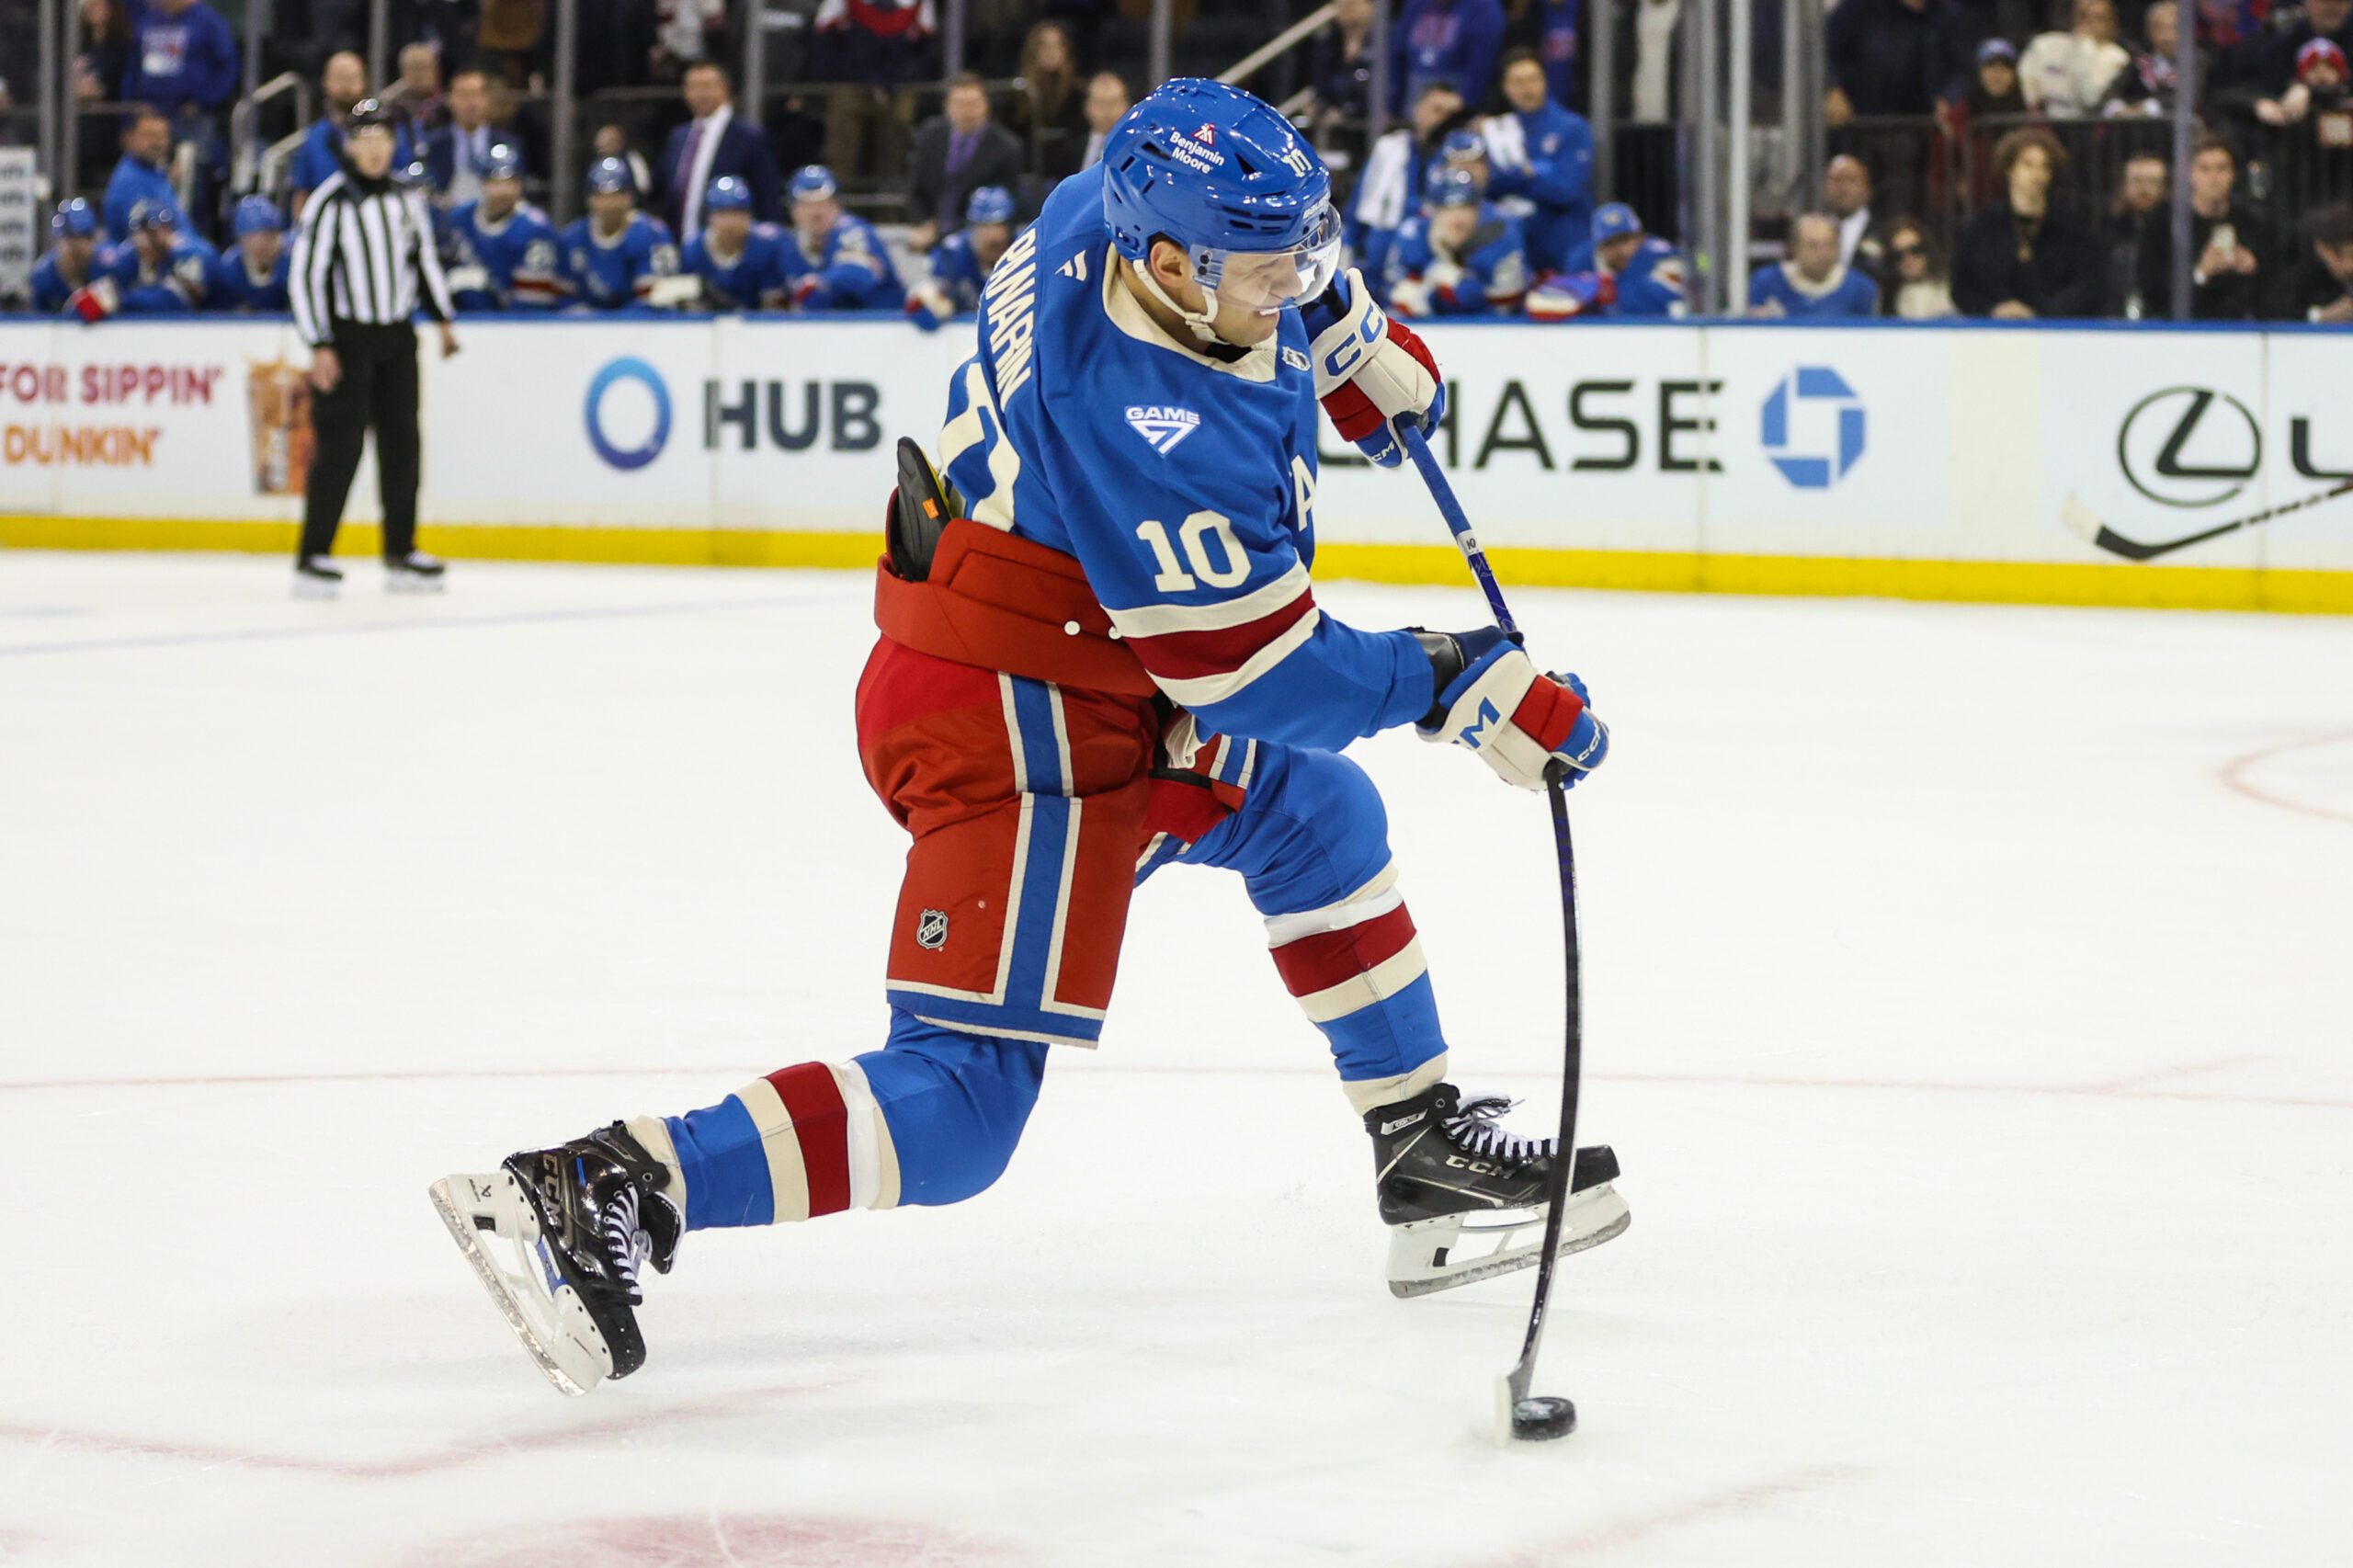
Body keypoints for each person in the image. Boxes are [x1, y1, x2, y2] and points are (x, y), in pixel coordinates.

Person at [431, 78, 1627, 1396]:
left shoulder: (1091, 210)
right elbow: (1251, 669)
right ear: (1169, 265)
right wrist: (1461, 685)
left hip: (1064, 665)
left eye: (1298, 254)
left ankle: (1422, 1155)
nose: (1287, 284)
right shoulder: (1145, 423)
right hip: (1011, 719)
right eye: (1266, 268)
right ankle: (608, 1176)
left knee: (1318, 817)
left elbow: (1270, 312)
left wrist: (1347, 331)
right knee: (961, 1110)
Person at [287, 97, 460, 597]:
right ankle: (313, 553)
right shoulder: (330, 201)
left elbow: (422, 261)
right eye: (365, 140)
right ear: (349, 146)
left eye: (383, 139)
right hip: (348, 338)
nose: (375, 150)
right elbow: (307, 277)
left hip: (397, 336)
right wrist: (319, 342)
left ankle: (401, 550)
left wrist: (443, 319)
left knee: (403, 443)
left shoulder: (406, 200)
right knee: (339, 447)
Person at [1949, 126, 2103, 317]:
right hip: (1993, 332)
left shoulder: (2072, 226)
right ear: (2009, 170)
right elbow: (1962, 287)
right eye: (2028, 165)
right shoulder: (1984, 225)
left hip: (2056, 332)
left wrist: (2044, 312)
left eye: (2044, 166)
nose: (2037, 174)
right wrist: (1995, 309)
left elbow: (2089, 283)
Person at [1480, 49, 1594, 274]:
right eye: (1518, 82)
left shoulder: (1572, 127)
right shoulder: (1496, 131)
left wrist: (1511, 178)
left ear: (1544, 82)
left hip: (1562, 243)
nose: (1527, 88)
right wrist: (1527, 174)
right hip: (1513, 248)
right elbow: (1487, 187)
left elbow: (1565, 190)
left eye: (1533, 79)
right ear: (1506, 88)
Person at [1350, 80, 1466, 295]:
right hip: (1383, 249)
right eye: (1437, 110)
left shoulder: (1466, 156)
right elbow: (1359, 202)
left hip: (1435, 253)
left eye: (1452, 114)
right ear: (1418, 110)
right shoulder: (1389, 147)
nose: (1444, 119)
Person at [2135, 135, 2268, 320]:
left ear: (2234, 174)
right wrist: (2200, 273)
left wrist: (2254, 268)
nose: (2213, 178)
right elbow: (2152, 290)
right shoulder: (2162, 223)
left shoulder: (2252, 224)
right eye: (2204, 169)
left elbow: (2274, 293)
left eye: (2222, 169)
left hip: (2239, 330)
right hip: (2180, 328)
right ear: (2190, 174)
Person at [658, 61, 782, 240]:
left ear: (724, 88)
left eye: (706, 86)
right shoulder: (678, 136)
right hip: (681, 244)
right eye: (692, 87)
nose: (699, 94)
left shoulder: (749, 137)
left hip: (732, 248)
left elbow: (767, 196)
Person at [1384, 169, 1530, 316]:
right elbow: (1395, 293)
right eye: (1448, 208)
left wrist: (1464, 287)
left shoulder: (1501, 234)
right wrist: (1428, 295)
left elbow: (1506, 305)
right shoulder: (1413, 233)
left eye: (1467, 207)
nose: (1458, 216)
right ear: (1434, 211)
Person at [907, 74, 1027, 254]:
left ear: (986, 105)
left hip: (976, 240)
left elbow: (1008, 204)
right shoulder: (930, 136)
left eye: (973, 103)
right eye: (960, 103)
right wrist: (924, 223)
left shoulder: (1007, 148)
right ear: (946, 106)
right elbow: (915, 190)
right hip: (930, 233)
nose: (967, 110)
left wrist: (950, 232)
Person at [292, 53, 415, 218]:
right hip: (328, 220)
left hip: (381, 218)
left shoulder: (386, 131)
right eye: (339, 78)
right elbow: (302, 192)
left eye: (352, 77)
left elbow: (404, 179)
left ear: (365, 81)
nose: (346, 86)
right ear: (325, 82)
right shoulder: (314, 138)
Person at [446, 143, 563, 311]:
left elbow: (533, 303)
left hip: (514, 325)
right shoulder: (459, 217)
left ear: (519, 185)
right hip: (464, 320)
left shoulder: (536, 229)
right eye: (495, 182)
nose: (502, 191)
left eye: (510, 182)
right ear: (482, 183)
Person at [560, 157, 682, 312]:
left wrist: (612, 322)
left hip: (643, 331)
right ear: (589, 199)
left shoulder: (653, 235)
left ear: (630, 197)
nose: (608, 203)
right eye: (600, 195)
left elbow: (656, 301)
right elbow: (563, 299)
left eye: (616, 195)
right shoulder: (573, 238)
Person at [779, 164, 904, 311]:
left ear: (836, 206)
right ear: (794, 211)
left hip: (882, 323)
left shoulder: (853, 231)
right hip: (828, 328)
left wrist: (820, 282)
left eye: (822, 203)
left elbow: (861, 276)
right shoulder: (789, 247)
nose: (815, 213)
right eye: (807, 205)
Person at [1531, 199, 1687, 318]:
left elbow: (1670, 299)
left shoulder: (1661, 254)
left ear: (1640, 238)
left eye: (1627, 239)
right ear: (1598, 246)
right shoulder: (1581, 259)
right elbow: (1561, 304)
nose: (1622, 250)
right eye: (1611, 243)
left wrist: (1612, 289)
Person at [85, 199, 221, 317]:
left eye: (153, 231)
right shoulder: (127, 257)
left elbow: (178, 303)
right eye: (139, 232)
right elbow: (90, 302)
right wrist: (90, 303)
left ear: (168, 230)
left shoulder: (189, 254)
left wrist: (122, 299)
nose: (143, 240)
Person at [908, 185, 1015, 329]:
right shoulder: (950, 255)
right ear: (972, 227)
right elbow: (921, 312)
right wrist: (929, 305)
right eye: (985, 226)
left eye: (1000, 226)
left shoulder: (1026, 254)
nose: (994, 235)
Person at [679, 176, 790, 311]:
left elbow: (774, 307)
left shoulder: (767, 246)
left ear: (749, 215)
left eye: (737, 213)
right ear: (710, 216)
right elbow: (688, 307)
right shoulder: (693, 249)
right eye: (722, 213)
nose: (730, 222)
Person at [119, 0, 238, 123]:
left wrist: (203, 101)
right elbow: (132, 69)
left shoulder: (209, 21)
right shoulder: (148, 22)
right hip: (149, 114)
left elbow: (227, 67)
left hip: (191, 117)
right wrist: (129, 114)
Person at [1749, 211, 1881, 317]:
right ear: (1794, 248)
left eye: (1829, 244)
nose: (1823, 253)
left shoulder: (1861, 288)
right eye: (1813, 246)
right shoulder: (1766, 282)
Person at [1388, 0, 1506, 116]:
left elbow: (1483, 61)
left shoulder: (1483, 6)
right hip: (1413, 95)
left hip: (1457, 97)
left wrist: (1467, 101)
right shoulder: (1415, 4)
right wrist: (1392, 105)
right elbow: (1398, 52)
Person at [1008, 20, 1088, 181]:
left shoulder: (1079, 94)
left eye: (1056, 46)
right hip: (1027, 174)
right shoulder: (1019, 93)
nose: (1050, 52)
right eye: (1044, 47)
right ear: (1033, 51)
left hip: (1067, 173)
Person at [2019, 0, 2131, 116]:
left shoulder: (2116, 57)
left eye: (2098, 18)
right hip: (2046, 122)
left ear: (2111, 23)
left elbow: (2090, 98)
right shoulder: (2047, 44)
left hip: (2085, 124)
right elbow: (2028, 86)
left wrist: (2085, 46)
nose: (2090, 23)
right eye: (2083, 16)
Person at [426, 69, 510, 207]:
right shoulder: (433, 145)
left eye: (477, 94)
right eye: (464, 95)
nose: (471, 103)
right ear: (449, 99)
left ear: (487, 99)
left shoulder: (507, 143)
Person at [2099, 2, 2196, 117]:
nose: (2168, 35)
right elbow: (2110, 93)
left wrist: (2146, 108)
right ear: (2149, 32)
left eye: (2174, 28)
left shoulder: (2196, 62)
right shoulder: (2141, 63)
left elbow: (2191, 98)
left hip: (2183, 131)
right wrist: (2117, 107)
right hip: (2142, 131)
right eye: (2160, 28)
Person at [2103, 152, 2170, 314]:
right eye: (2137, 181)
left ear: (2165, 187)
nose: (2144, 189)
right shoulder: (2105, 231)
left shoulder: (2175, 235)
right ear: (2124, 186)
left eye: (2152, 182)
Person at [2267, 200, 2353, 321]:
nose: (2350, 266)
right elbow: (2270, 312)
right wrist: (2321, 315)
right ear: (2324, 250)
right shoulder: (2301, 281)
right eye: (2347, 256)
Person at [101, 108, 177, 244]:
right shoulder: (128, 182)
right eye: (150, 136)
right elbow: (151, 241)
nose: (157, 143)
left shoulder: (155, 172)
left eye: (162, 136)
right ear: (130, 138)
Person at [31, 199, 112, 316]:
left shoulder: (106, 265)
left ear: (95, 240)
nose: (78, 246)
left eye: (85, 238)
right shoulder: (43, 275)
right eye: (70, 239)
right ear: (58, 241)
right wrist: (79, 306)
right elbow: (36, 324)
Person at [217, 195, 290, 312]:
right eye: (250, 241)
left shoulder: (293, 261)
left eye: (268, 238)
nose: (260, 249)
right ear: (241, 241)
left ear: (277, 235)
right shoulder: (231, 268)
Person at [1823, 153, 1885, 284]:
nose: (1843, 187)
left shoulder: (1884, 233)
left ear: (1867, 189)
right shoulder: (1813, 231)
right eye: (1837, 179)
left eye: (1851, 180)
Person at [1880, 217, 1958, 317]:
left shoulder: (1951, 290)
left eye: (1915, 250)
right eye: (1898, 255)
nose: (1908, 259)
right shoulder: (1885, 299)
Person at [1078, 71, 1132, 172]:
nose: (1107, 112)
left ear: (1126, 105)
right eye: (1100, 104)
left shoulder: (1139, 150)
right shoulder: (1072, 149)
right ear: (1087, 106)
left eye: (1113, 103)